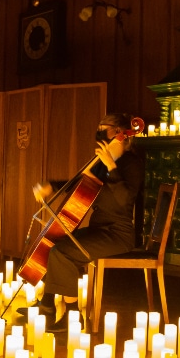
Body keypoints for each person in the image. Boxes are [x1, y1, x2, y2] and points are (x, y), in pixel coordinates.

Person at [24, 113, 145, 330]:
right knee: (54, 242)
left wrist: (111, 166)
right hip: (100, 228)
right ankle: (48, 305)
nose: (99, 131)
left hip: (118, 234)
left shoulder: (130, 163)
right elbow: (83, 183)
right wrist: (53, 186)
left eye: (103, 127)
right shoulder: (105, 160)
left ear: (119, 133)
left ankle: (72, 318)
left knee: (63, 253)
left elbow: (124, 198)